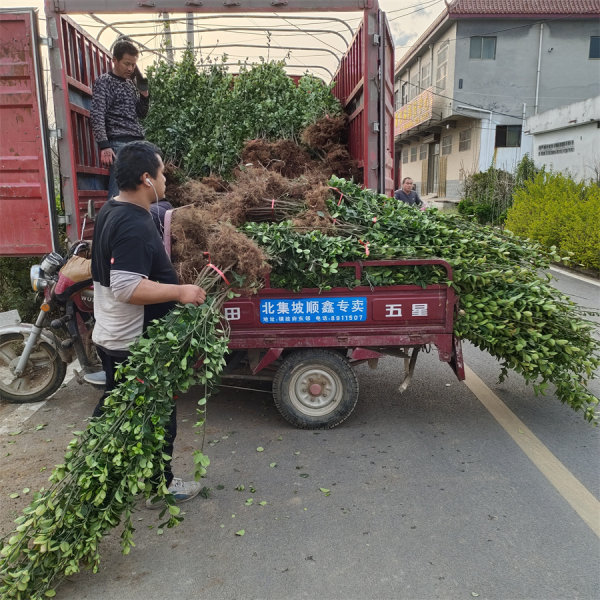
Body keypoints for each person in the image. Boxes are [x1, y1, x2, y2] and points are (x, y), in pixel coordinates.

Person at [90, 140, 207, 505]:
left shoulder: (112, 209)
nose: (165, 178)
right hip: (132, 341)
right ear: (146, 179)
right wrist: (180, 292)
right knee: (158, 414)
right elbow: (127, 287)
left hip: (111, 332)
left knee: (116, 405)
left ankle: (97, 465)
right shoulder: (132, 224)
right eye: (161, 172)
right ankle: (161, 485)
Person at [91, 39, 150, 201]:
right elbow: (97, 114)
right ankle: (114, 225)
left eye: (133, 64)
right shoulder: (105, 82)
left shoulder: (130, 85)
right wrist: (104, 145)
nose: (130, 68)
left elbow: (141, 114)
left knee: (138, 192)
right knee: (118, 194)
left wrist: (144, 96)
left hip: (137, 142)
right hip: (119, 144)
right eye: (127, 64)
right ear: (115, 60)